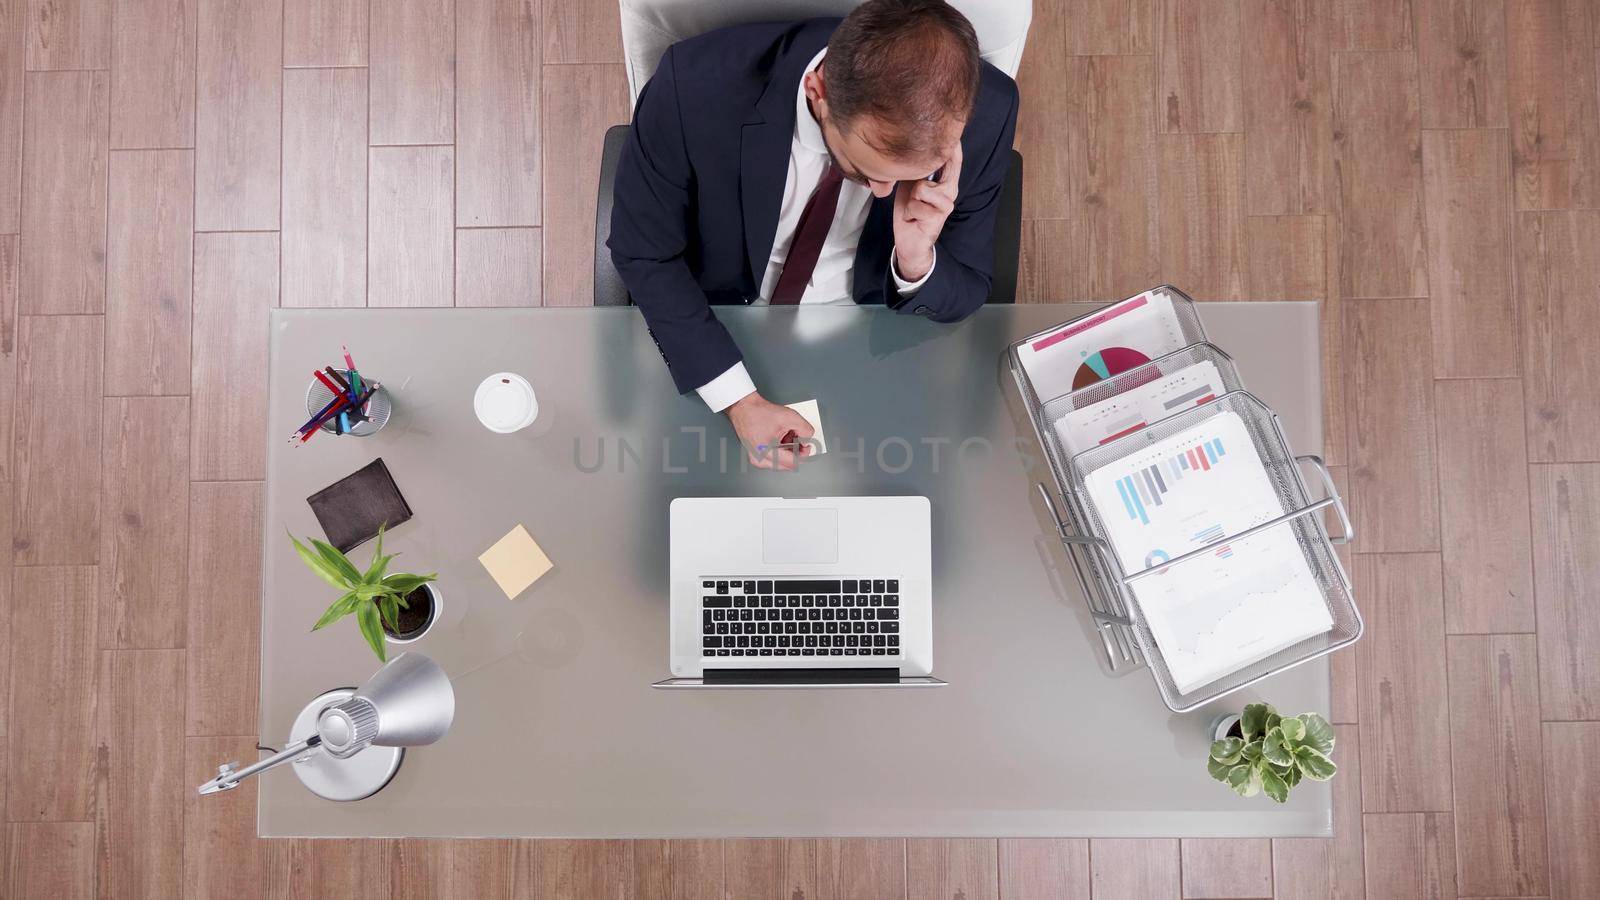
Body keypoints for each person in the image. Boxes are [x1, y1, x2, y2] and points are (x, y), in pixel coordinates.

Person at [608, 0, 1019, 470]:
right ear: (818, 89)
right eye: (865, 173)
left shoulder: (989, 112)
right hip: (716, 330)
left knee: (910, 521)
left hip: (877, 340)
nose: (886, 194)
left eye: (907, 177)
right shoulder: (694, 87)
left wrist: (916, 257)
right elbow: (643, 252)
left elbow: (967, 289)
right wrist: (738, 399)